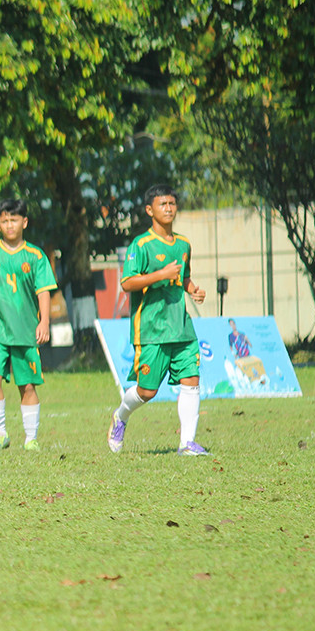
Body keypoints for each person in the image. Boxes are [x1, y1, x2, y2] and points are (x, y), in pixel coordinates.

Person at [107, 184, 208, 456]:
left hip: (182, 328)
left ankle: (186, 443)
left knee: (191, 379)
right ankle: (121, 416)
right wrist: (161, 274)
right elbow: (127, 283)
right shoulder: (140, 245)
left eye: (172, 203)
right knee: (146, 392)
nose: (169, 208)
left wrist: (192, 289)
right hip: (151, 329)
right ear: (150, 210)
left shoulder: (184, 244)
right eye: (163, 204)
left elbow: (183, 277)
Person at [0, 199, 57, 452]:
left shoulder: (35, 255)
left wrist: (44, 322)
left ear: (24, 222)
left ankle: (31, 438)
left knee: (27, 385)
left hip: (26, 331)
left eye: (14, 220)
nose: (9, 225)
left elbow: (44, 291)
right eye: (4, 220)